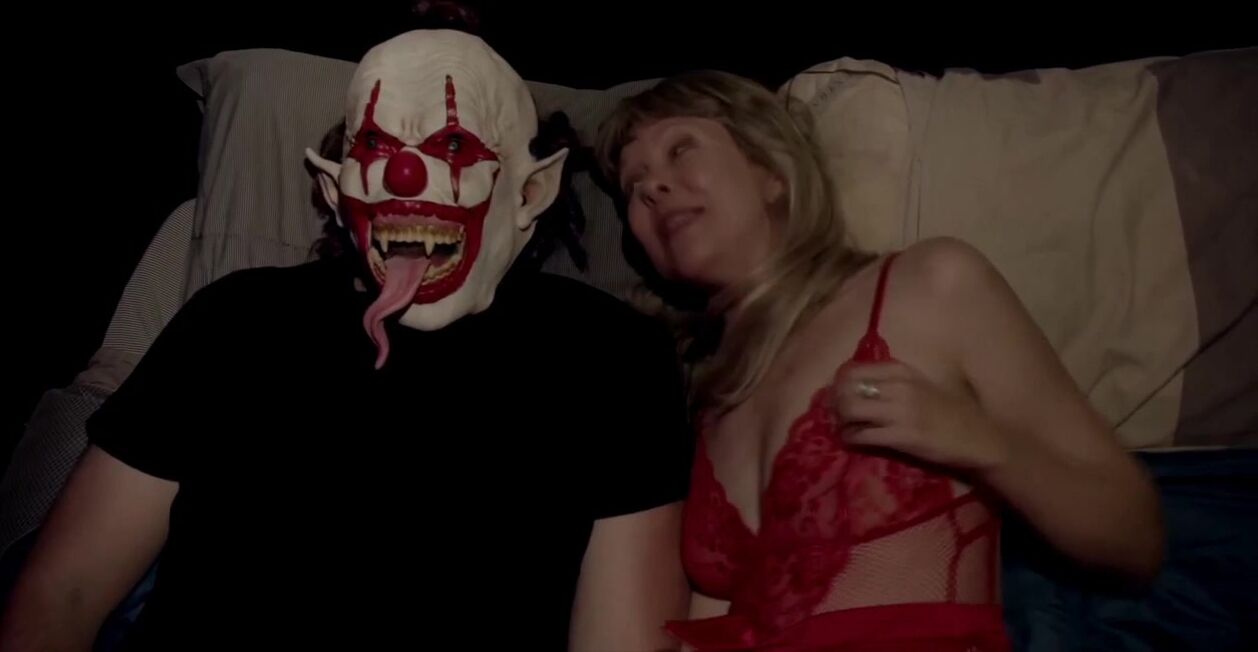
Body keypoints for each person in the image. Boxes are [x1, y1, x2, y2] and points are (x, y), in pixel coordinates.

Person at [0, 30, 691, 651]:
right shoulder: (235, 321)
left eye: (454, 146)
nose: (404, 173)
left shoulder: (614, 358)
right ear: (334, 191)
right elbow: (64, 594)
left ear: (530, 192)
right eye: (375, 148)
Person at [595, 71, 1164, 651]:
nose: (652, 187)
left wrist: (984, 442)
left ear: (770, 170)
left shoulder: (931, 285)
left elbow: (1135, 537)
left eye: (680, 149)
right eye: (633, 184)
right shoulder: (698, 401)